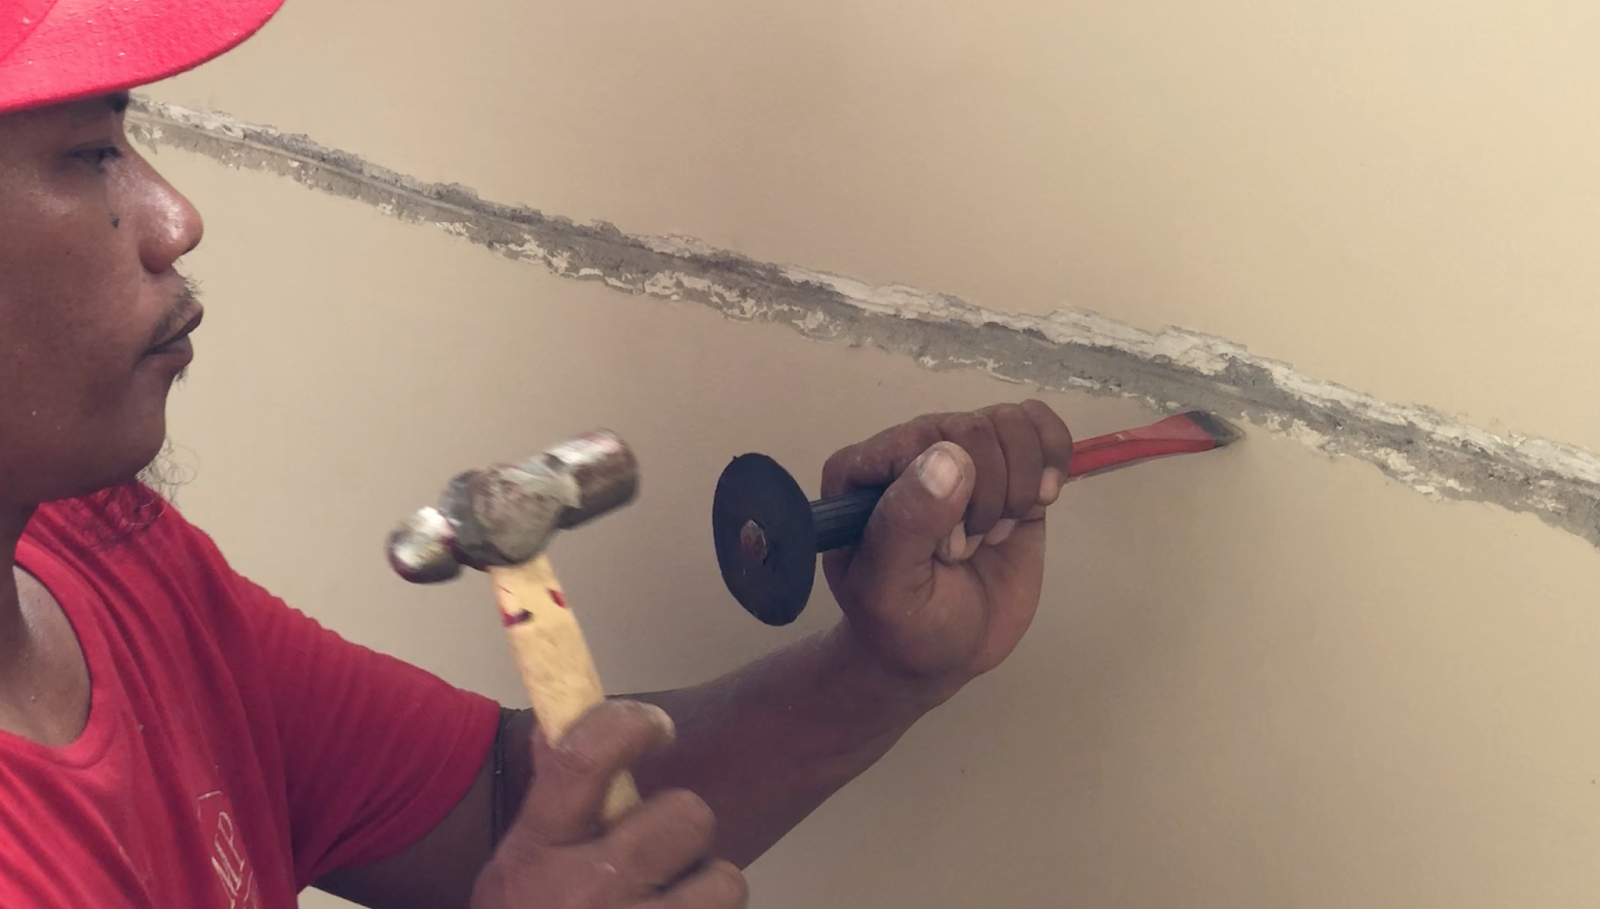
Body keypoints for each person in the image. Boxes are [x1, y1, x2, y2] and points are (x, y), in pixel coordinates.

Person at [0, 2, 1076, 906]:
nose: (175, 219)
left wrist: (877, 671)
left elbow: (499, 807)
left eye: (130, 140)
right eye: (89, 154)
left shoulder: (102, 544)